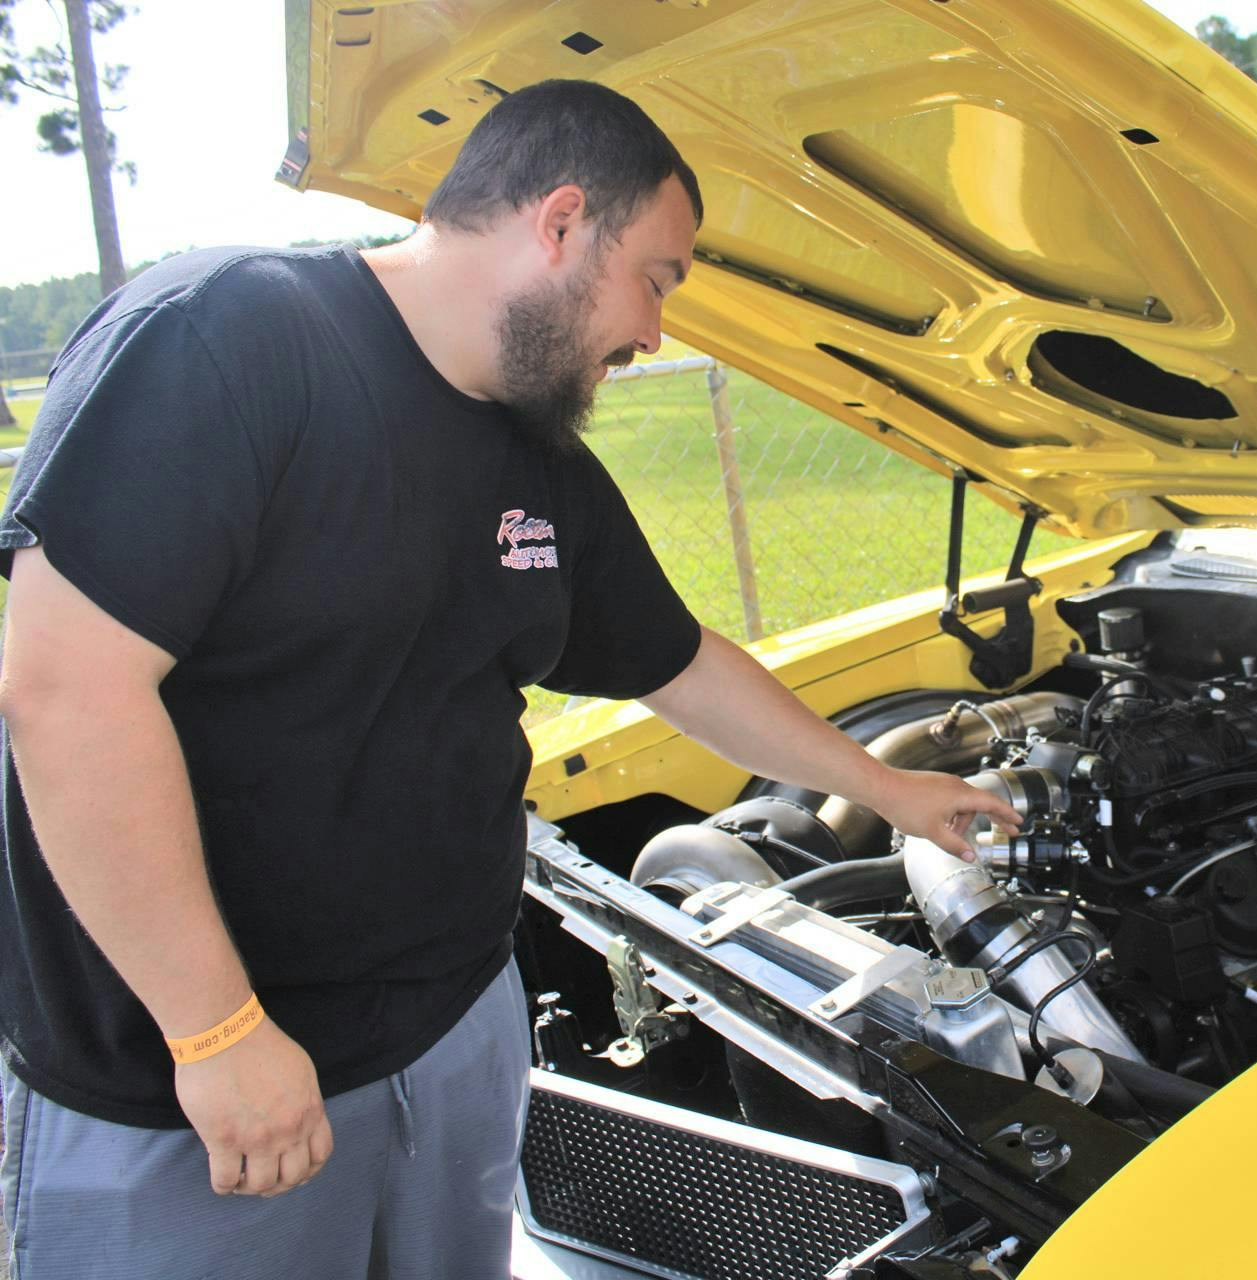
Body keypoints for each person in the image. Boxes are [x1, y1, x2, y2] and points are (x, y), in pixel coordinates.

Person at [0, 79, 1019, 1278]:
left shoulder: (537, 460)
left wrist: (892, 792)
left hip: (452, 1031)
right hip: (199, 1081)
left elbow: (678, 662)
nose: (658, 331)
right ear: (562, 221)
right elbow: (64, 689)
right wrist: (215, 1028)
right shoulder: (229, 337)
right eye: (660, 277)